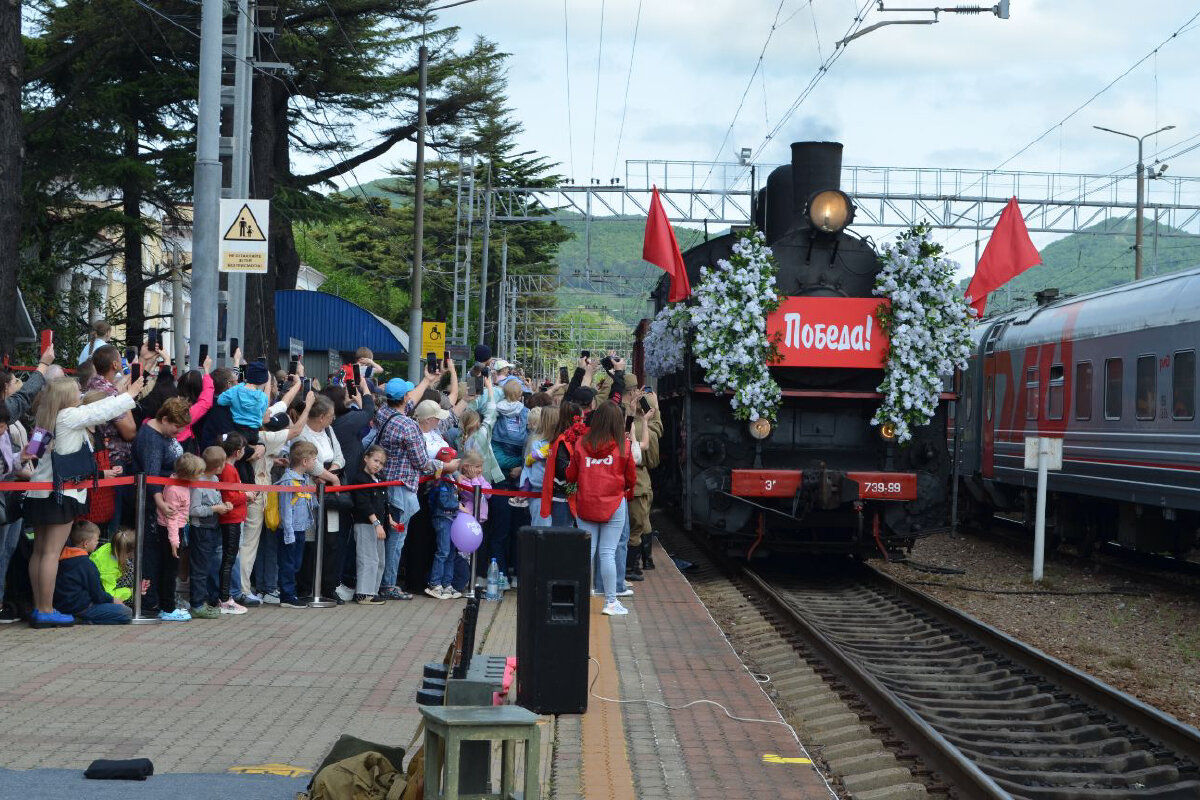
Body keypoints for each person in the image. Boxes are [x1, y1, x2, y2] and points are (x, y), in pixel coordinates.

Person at [25, 362, 142, 628]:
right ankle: (45, 609)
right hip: (60, 495)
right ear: (66, 398)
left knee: (40, 552)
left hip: (39, 493)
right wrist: (130, 395)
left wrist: (122, 390)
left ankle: (39, 606)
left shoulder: (46, 419)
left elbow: (32, 454)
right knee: (51, 554)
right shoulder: (68, 416)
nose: (80, 395)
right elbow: (98, 410)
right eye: (76, 392)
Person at [565, 402, 636, 616]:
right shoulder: (623, 445)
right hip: (614, 504)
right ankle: (611, 602)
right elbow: (631, 477)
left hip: (586, 502)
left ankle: (579, 598)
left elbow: (570, 475)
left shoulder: (580, 443)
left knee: (587, 552)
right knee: (608, 553)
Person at [133, 396, 190, 618]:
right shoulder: (151, 438)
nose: (179, 433)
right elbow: (151, 473)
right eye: (176, 427)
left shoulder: (160, 434)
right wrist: (159, 500)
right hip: (156, 506)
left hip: (166, 501)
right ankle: (154, 604)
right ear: (164, 419)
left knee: (166, 556)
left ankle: (163, 603)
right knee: (157, 556)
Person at [52, 521, 132, 624]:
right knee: (126, 612)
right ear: (86, 543)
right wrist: (113, 600)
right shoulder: (87, 564)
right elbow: (98, 594)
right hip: (82, 608)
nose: (97, 543)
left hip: (61, 606)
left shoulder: (61, 558)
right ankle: (85, 620)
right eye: (96, 540)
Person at [187, 446, 231, 618]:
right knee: (200, 569)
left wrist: (225, 505)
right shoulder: (198, 485)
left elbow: (217, 499)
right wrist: (214, 509)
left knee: (210, 566)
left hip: (213, 528)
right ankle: (197, 604)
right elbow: (194, 509)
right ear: (219, 466)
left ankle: (206, 599)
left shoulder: (214, 479)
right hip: (201, 530)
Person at [0, 402, 32, 623]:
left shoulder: (4, 437)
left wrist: (21, 457)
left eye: (4, 425)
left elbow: (10, 465)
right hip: (4, 496)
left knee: (7, 550)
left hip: (10, 498)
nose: (3, 430)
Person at [277, 441, 318, 608]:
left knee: (296, 563)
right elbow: (285, 508)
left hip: (301, 527)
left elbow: (311, 502)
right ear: (305, 462)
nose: (316, 462)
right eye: (314, 459)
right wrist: (288, 532)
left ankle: (291, 592)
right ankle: (287, 595)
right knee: (288, 563)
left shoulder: (305, 479)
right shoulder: (288, 481)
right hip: (291, 529)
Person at [348, 445, 389, 605]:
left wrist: (389, 519)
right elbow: (364, 504)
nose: (378, 465)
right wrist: (377, 523)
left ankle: (373, 590)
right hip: (366, 523)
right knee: (368, 558)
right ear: (366, 458)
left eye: (381, 463)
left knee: (379, 560)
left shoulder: (380, 479)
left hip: (378, 524)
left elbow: (385, 502)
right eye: (375, 460)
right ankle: (364, 593)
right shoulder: (360, 479)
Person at [217, 433, 251, 614]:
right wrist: (246, 495)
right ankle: (224, 598)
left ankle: (224, 597)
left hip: (234, 518)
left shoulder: (228, 468)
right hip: (231, 519)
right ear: (238, 452)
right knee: (229, 559)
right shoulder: (229, 470)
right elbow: (229, 497)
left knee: (228, 559)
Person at [539, 400, 585, 527]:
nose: (583, 422)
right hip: (563, 498)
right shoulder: (563, 441)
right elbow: (564, 472)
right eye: (581, 419)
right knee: (562, 538)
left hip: (569, 496)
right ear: (574, 420)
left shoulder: (567, 439)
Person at [426, 447, 464, 600]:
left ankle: (447, 584)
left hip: (452, 518)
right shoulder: (440, 479)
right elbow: (443, 501)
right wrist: (458, 506)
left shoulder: (452, 478)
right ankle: (435, 583)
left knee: (451, 552)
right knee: (443, 551)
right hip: (443, 518)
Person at [523, 407, 558, 526]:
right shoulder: (536, 443)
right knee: (541, 535)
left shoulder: (562, 442)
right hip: (540, 496)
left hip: (558, 497)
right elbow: (536, 478)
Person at [90, 528, 138, 606]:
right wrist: (131, 591)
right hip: (98, 596)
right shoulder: (109, 570)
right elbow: (108, 595)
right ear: (128, 553)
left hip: (98, 584)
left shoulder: (110, 546)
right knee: (131, 570)